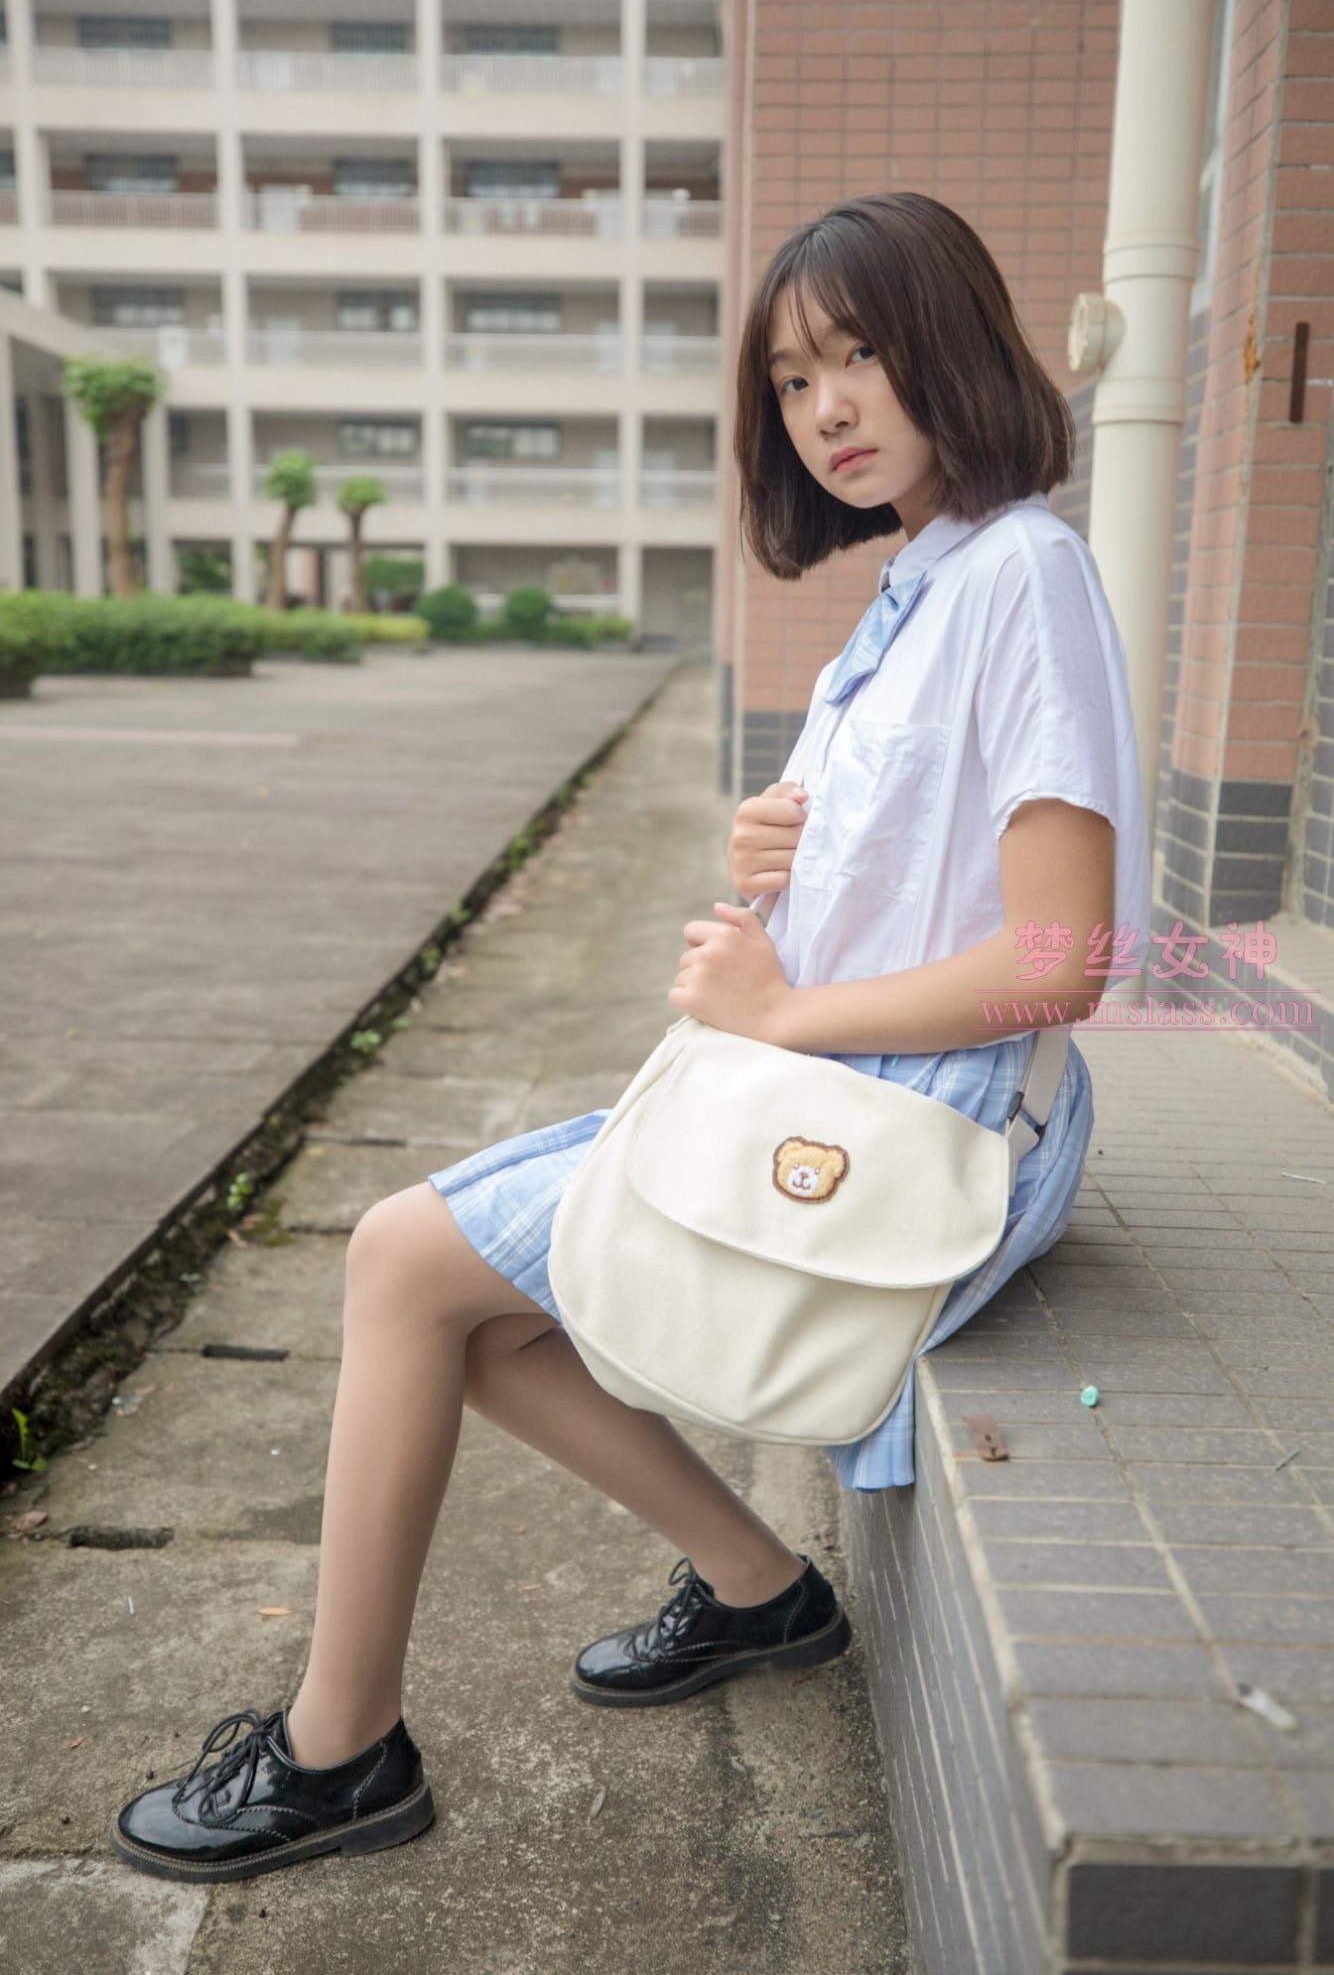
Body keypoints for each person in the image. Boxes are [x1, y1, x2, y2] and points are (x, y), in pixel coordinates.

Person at [111, 191, 1150, 1883]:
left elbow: (1061, 956)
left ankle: (340, 1749)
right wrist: (779, 859)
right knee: (484, 1319)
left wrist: (780, 1007)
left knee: (399, 1259)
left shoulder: (1021, 571)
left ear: (952, 345)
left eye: (859, 355)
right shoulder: (924, 580)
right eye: (793, 380)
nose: (825, 407)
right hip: (855, 1085)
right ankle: (757, 1587)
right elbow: (929, 866)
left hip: (936, 1119)